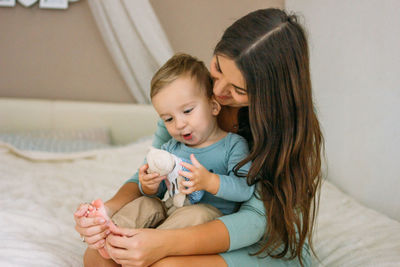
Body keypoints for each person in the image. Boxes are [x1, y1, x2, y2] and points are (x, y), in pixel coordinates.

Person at [74, 8, 323, 267]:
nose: (217, 90)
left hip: (260, 241)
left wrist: (160, 244)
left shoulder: (288, 126)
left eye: (238, 89)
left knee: (166, 265)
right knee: (97, 257)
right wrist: (106, 213)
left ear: (269, 94)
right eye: (217, 68)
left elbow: (254, 221)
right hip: (183, 219)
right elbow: (149, 173)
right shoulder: (187, 103)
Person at [76, 53, 254, 259]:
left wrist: (210, 181)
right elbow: (158, 194)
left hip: (208, 222)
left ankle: (145, 247)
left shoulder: (233, 145)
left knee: (199, 213)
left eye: (187, 111)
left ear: (214, 106)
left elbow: (244, 190)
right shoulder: (171, 147)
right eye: (168, 119)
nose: (179, 124)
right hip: (172, 210)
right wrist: (149, 185)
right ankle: (111, 235)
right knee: (147, 204)